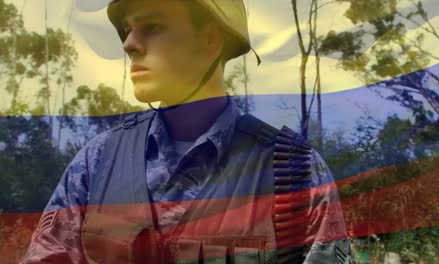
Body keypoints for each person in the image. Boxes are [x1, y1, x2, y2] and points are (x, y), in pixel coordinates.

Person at [22, 0, 351, 263]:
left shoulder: (293, 171)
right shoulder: (97, 163)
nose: (129, 44)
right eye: (127, 30)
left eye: (152, 26)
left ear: (210, 38)